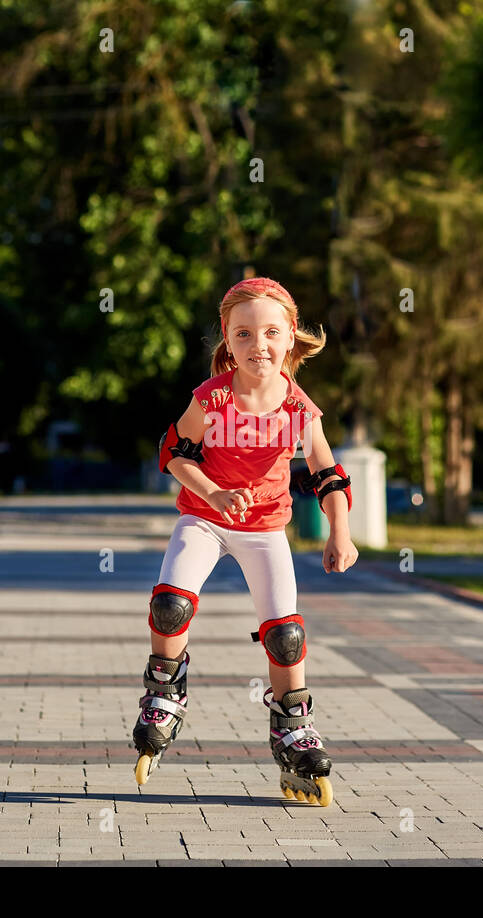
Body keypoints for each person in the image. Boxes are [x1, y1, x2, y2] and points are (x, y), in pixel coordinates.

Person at [133, 277, 359, 806]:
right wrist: (212, 493)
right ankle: (164, 694)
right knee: (170, 604)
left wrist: (339, 531)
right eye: (244, 334)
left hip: (264, 528)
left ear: (290, 339)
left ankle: (294, 727)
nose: (258, 344)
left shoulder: (300, 408)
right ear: (227, 342)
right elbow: (173, 453)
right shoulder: (210, 397)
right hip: (203, 518)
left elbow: (328, 473)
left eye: (271, 332)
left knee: (286, 636)